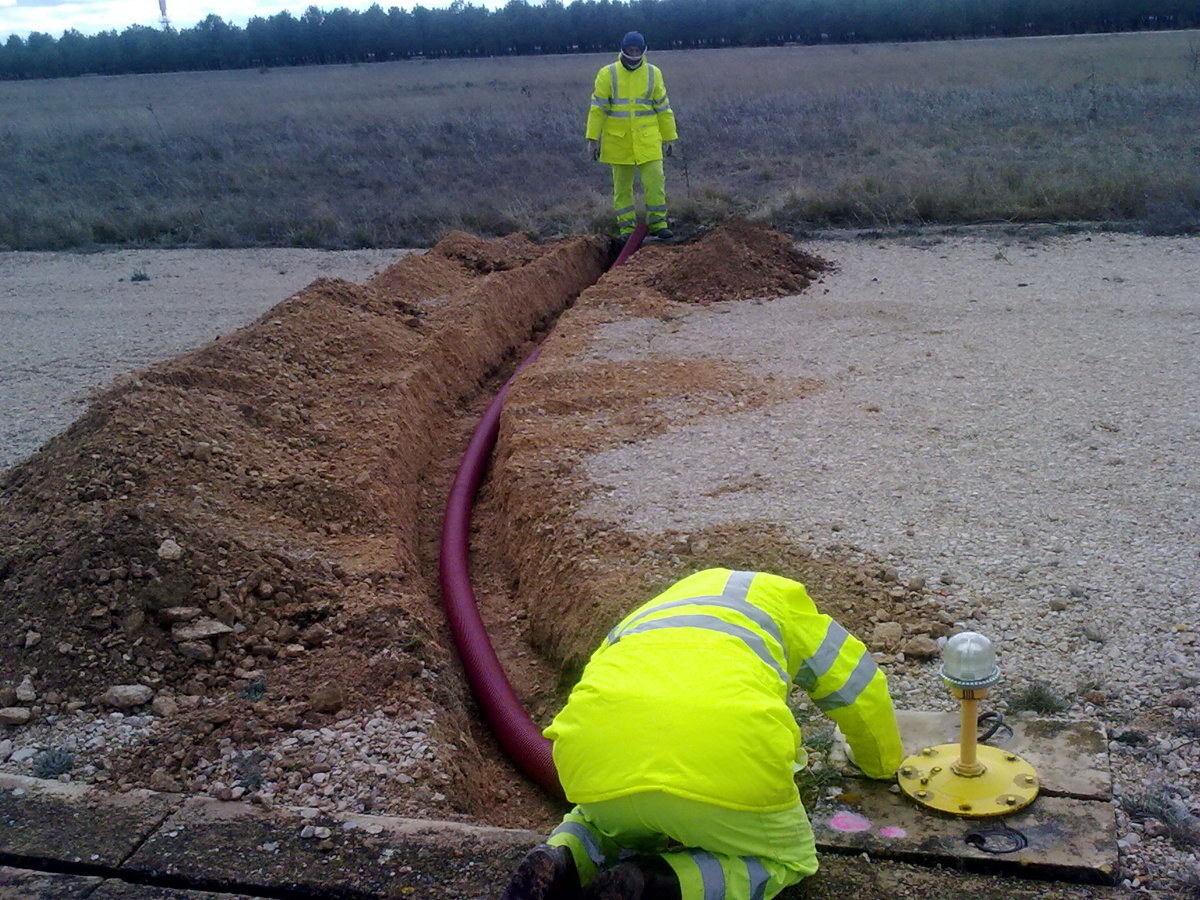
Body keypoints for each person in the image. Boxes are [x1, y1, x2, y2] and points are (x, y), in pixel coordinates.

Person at [500, 568, 904, 900]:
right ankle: (661, 883)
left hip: (596, 758)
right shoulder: (788, 607)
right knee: (789, 861)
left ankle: (562, 857)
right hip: (728, 762)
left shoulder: (652, 612)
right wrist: (881, 766)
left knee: (600, 820)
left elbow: (600, 690)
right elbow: (861, 690)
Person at [586, 31, 678, 240]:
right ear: (623, 49)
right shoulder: (607, 73)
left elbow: (663, 108)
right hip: (618, 142)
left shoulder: (654, 73)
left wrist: (669, 136)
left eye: (637, 50)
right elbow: (597, 108)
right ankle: (627, 230)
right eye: (630, 50)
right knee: (622, 188)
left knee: (655, 182)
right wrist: (592, 138)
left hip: (648, 140)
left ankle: (658, 224)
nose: (634, 54)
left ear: (644, 49)